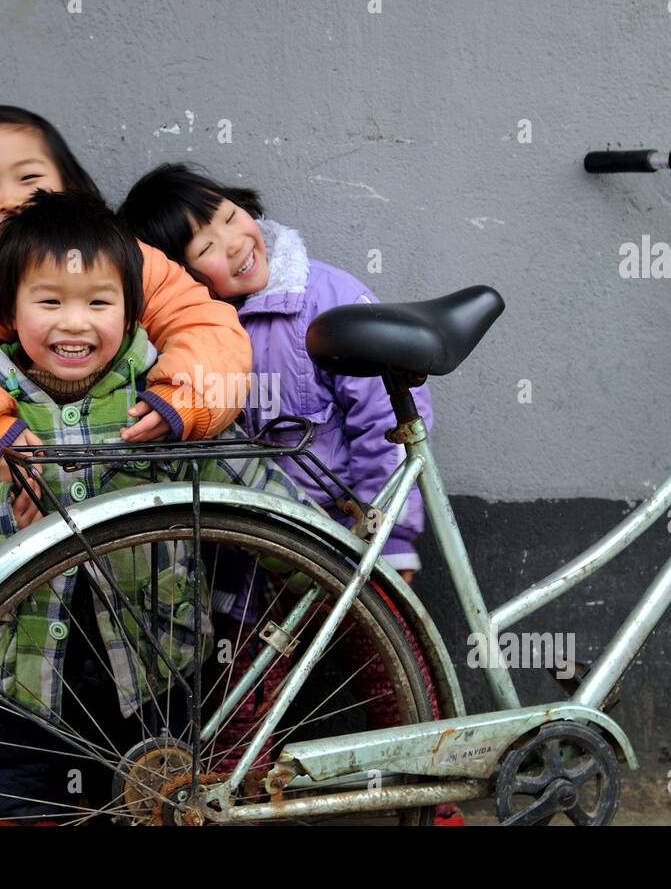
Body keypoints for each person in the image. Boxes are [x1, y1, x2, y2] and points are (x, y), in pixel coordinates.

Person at [0, 191, 312, 823]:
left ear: (133, 310)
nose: (74, 323)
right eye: (49, 301)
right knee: (16, 810)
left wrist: (323, 563)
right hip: (22, 683)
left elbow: (243, 479)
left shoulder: (162, 395)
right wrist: (2, 517)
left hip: (158, 675)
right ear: (9, 308)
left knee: (160, 808)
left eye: (99, 302)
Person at [0, 107, 253, 495]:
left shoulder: (119, 256)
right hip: (10, 498)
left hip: (124, 465)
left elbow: (203, 323)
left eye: (29, 176)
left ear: (68, 185)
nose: (7, 199)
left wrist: (188, 396)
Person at [118, 163, 434, 582]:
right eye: (206, 248)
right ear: (180, 275)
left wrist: (388, 535)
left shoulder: (328, 302)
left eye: (230, 217)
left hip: (342, 543)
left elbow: (386, 421)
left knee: (374, 648)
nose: (233, 244)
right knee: (254, 649)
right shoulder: (185, 343)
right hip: (239, 558)